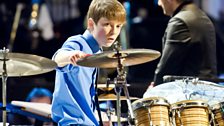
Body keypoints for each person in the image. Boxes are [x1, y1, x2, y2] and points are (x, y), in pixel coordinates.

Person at [51, 0, 126, 125]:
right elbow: (57, 59)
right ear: (91, 24)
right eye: (107, 24)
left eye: (118, 26)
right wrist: (71, 55)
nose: (114, 32)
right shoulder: (78, 43)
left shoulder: (97, 52)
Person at [147, 0, 217, 87]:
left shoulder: (180, 21)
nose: (159, 3)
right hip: (208, 90)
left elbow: (166, 69)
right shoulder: (201, 16)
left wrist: (154, 90)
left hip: (190, 93)